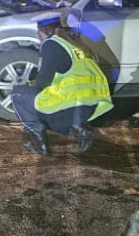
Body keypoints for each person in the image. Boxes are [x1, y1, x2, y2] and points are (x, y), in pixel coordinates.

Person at [10, 14, 113, 156]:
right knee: (38, 99)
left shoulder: (51, 44)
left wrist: (31, 82)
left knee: (18, 94)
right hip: (88, 109)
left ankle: (39, 143)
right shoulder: (74, 43)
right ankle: (79, 129)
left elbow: (42, 82)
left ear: (41, 32)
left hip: (69, 111)